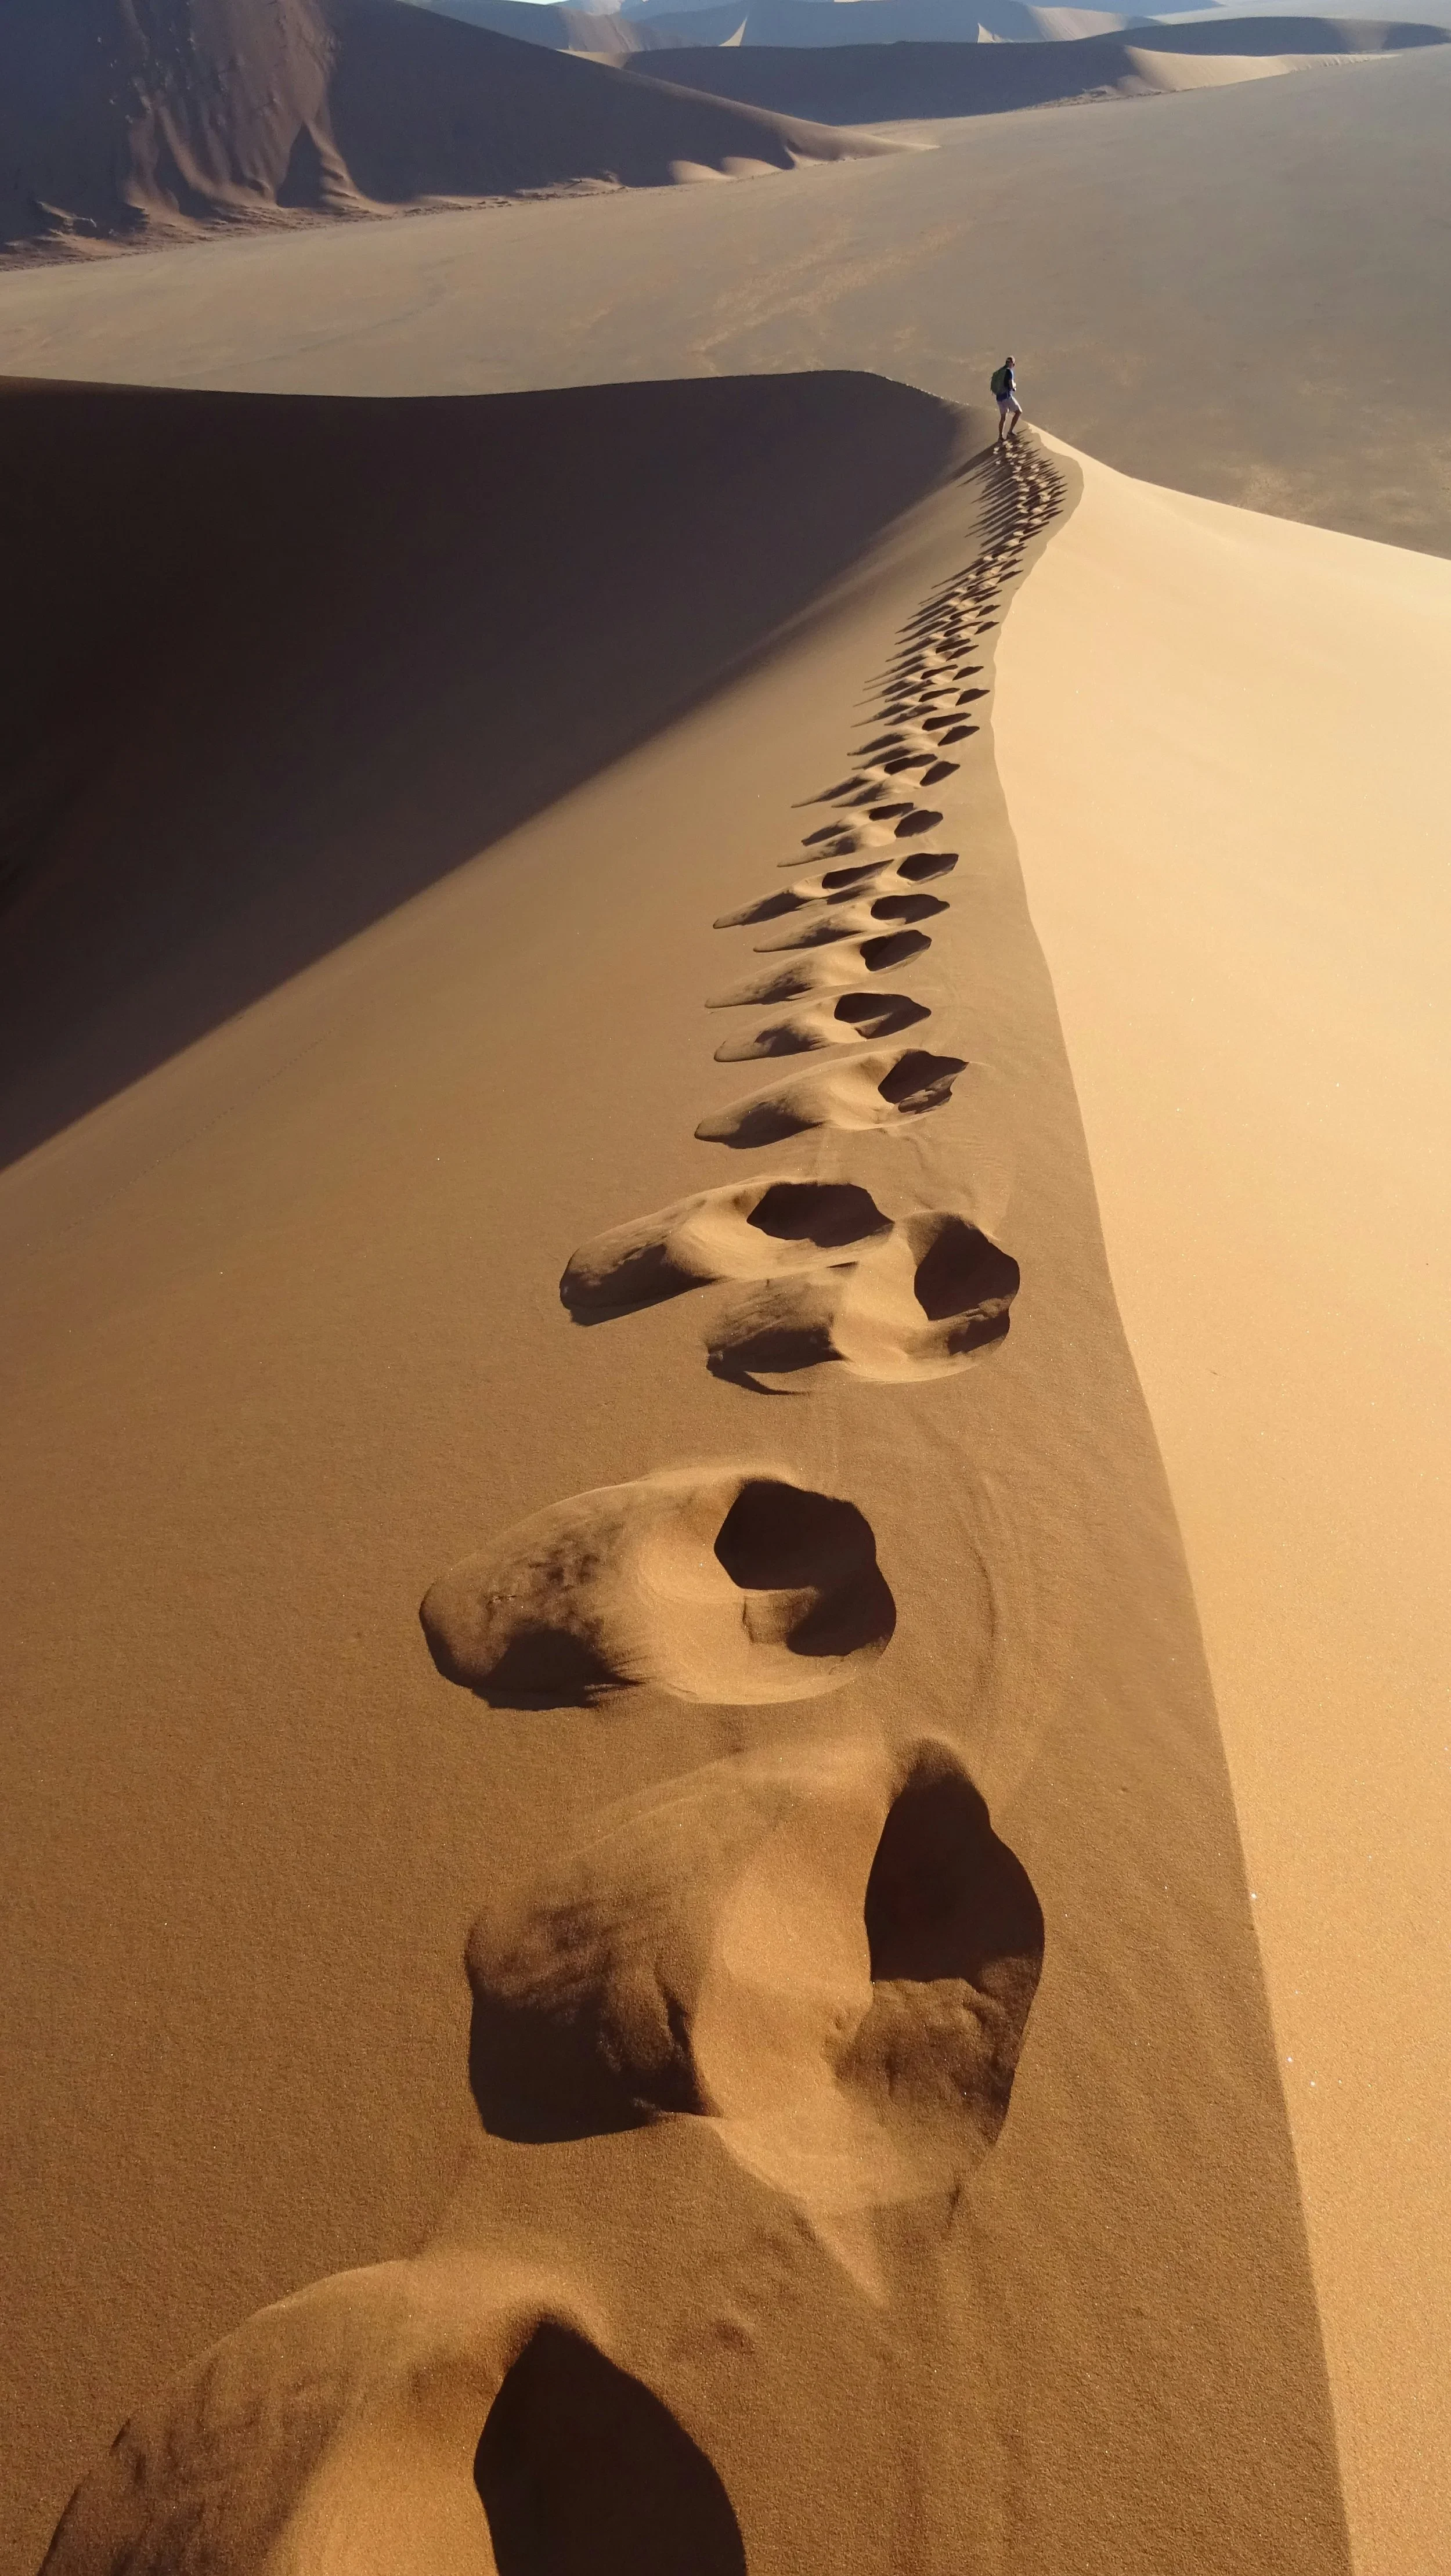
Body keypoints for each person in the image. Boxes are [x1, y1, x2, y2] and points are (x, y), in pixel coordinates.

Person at [991, 355, 1022, 444]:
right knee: (1019, 412)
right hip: (1007, 397)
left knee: (1003, 417)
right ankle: (1010, 432)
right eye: (1013, 364)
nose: (1013, 366)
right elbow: (1011, 385)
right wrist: (1015, 387)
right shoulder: (1009, 372)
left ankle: (1000, 437)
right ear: (1012, 364)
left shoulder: (1001, 371)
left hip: (999, 399)